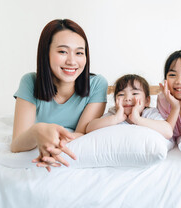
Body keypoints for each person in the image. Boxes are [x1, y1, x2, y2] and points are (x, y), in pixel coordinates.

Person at [11, 19, 108, 171]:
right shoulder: (30, 82)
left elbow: (82, 133)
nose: (71, 61)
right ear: (46, 53)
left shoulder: (97, 84)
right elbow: (16, 144)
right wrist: (38, 131)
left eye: (79, 53)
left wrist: (53, 144)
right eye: (62, 51)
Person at [86, 74, 173, 139]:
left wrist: (137, 119)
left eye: (135, 93)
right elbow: (89, 128)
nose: (127, 98)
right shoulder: (115, 113)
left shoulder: (149, 113)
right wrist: (116, 118)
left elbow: (168, 132)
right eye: (121, 94)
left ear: (147, 101)